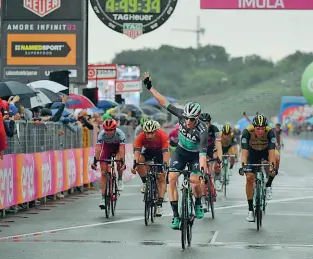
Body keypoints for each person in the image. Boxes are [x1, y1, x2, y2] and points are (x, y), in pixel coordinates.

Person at [142, 72, 208, 230]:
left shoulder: (202, 130)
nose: (188, 122)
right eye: (186, 118)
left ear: (197, 118)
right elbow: (164, 102)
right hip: (181, 151)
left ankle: (198, 203)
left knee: (194, 181)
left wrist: (202, 171)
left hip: (195, 156)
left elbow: (203, 155)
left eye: (192, 119)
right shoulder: (181, 115)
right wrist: (150, 88)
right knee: (171, 179)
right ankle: (176, 216)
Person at [239, 114, 277, 222]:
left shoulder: (270, 132)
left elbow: (272, 154)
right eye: (258, 129)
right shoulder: (247, 132)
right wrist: (243, 167)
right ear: (253, 127)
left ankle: (269, 184)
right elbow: (244, 154)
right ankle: (250, 210)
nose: (260, 131)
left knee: (276, 158)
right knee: (249, 178)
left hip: (265, 152)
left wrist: (272, 167)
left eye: (262, 129)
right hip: (252, 154)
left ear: (266, 128)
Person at [132, 120, 170, 217]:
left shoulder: (163, 135)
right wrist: (135, 164)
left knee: (161, 178)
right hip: (148, 151)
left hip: (160, 153)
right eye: (147, 133)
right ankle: (145, 182)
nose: (149, 136)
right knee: (139, 161)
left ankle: (159, 205)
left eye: (151, 133)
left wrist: (165, 165)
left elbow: (166, 152)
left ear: (156, 131)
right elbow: (137, 152)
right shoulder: (140, 136)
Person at [93, 118, 126, 209]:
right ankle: (103, 198)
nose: (109, 132)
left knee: (119, 160)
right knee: (103, 173)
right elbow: (98, 149)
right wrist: (95, 161)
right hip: (107, 148)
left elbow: (122, 149)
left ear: (115, 129)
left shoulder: (120, 134)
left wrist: (122, 161)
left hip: (117, 148)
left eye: (111, 130)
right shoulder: (101, 134)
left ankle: (119, 179)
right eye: (106, 130)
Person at [199, 113, 222, 206]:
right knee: (200, 173)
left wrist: (219, 159)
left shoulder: (214, 129)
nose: (205, 125)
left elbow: (219, 145)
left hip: (211, 149)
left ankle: (216, 179)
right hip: (200, 150)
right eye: (202, 123)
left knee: (216, 160)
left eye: (207, 123)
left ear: (210, 123)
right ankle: (202, 195)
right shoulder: (196, 129)